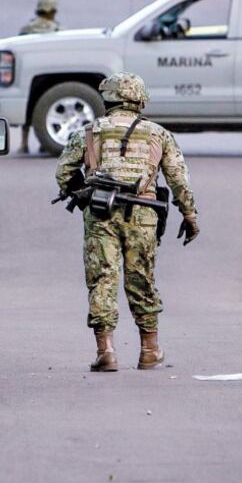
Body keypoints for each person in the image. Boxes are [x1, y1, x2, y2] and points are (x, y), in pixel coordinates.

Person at [55, 72, 199, 372]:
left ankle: (106, 351)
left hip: (100, 213)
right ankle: (150, 350)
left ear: (108, 99)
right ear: (139, 99)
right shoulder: (158, 134)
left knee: (102, 279)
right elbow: (178, 179)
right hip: (143, 214)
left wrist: (78, 190)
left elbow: (64, 172)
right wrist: (189, 215)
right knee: (141, 278)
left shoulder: (89, 131)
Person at [18, 0, 61, 154]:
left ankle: (24, 143)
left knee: (28, 109)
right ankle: (45, 142)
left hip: (29, 74)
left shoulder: (27, 28)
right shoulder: (57, 29)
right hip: (50, 75)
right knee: (46, 109)